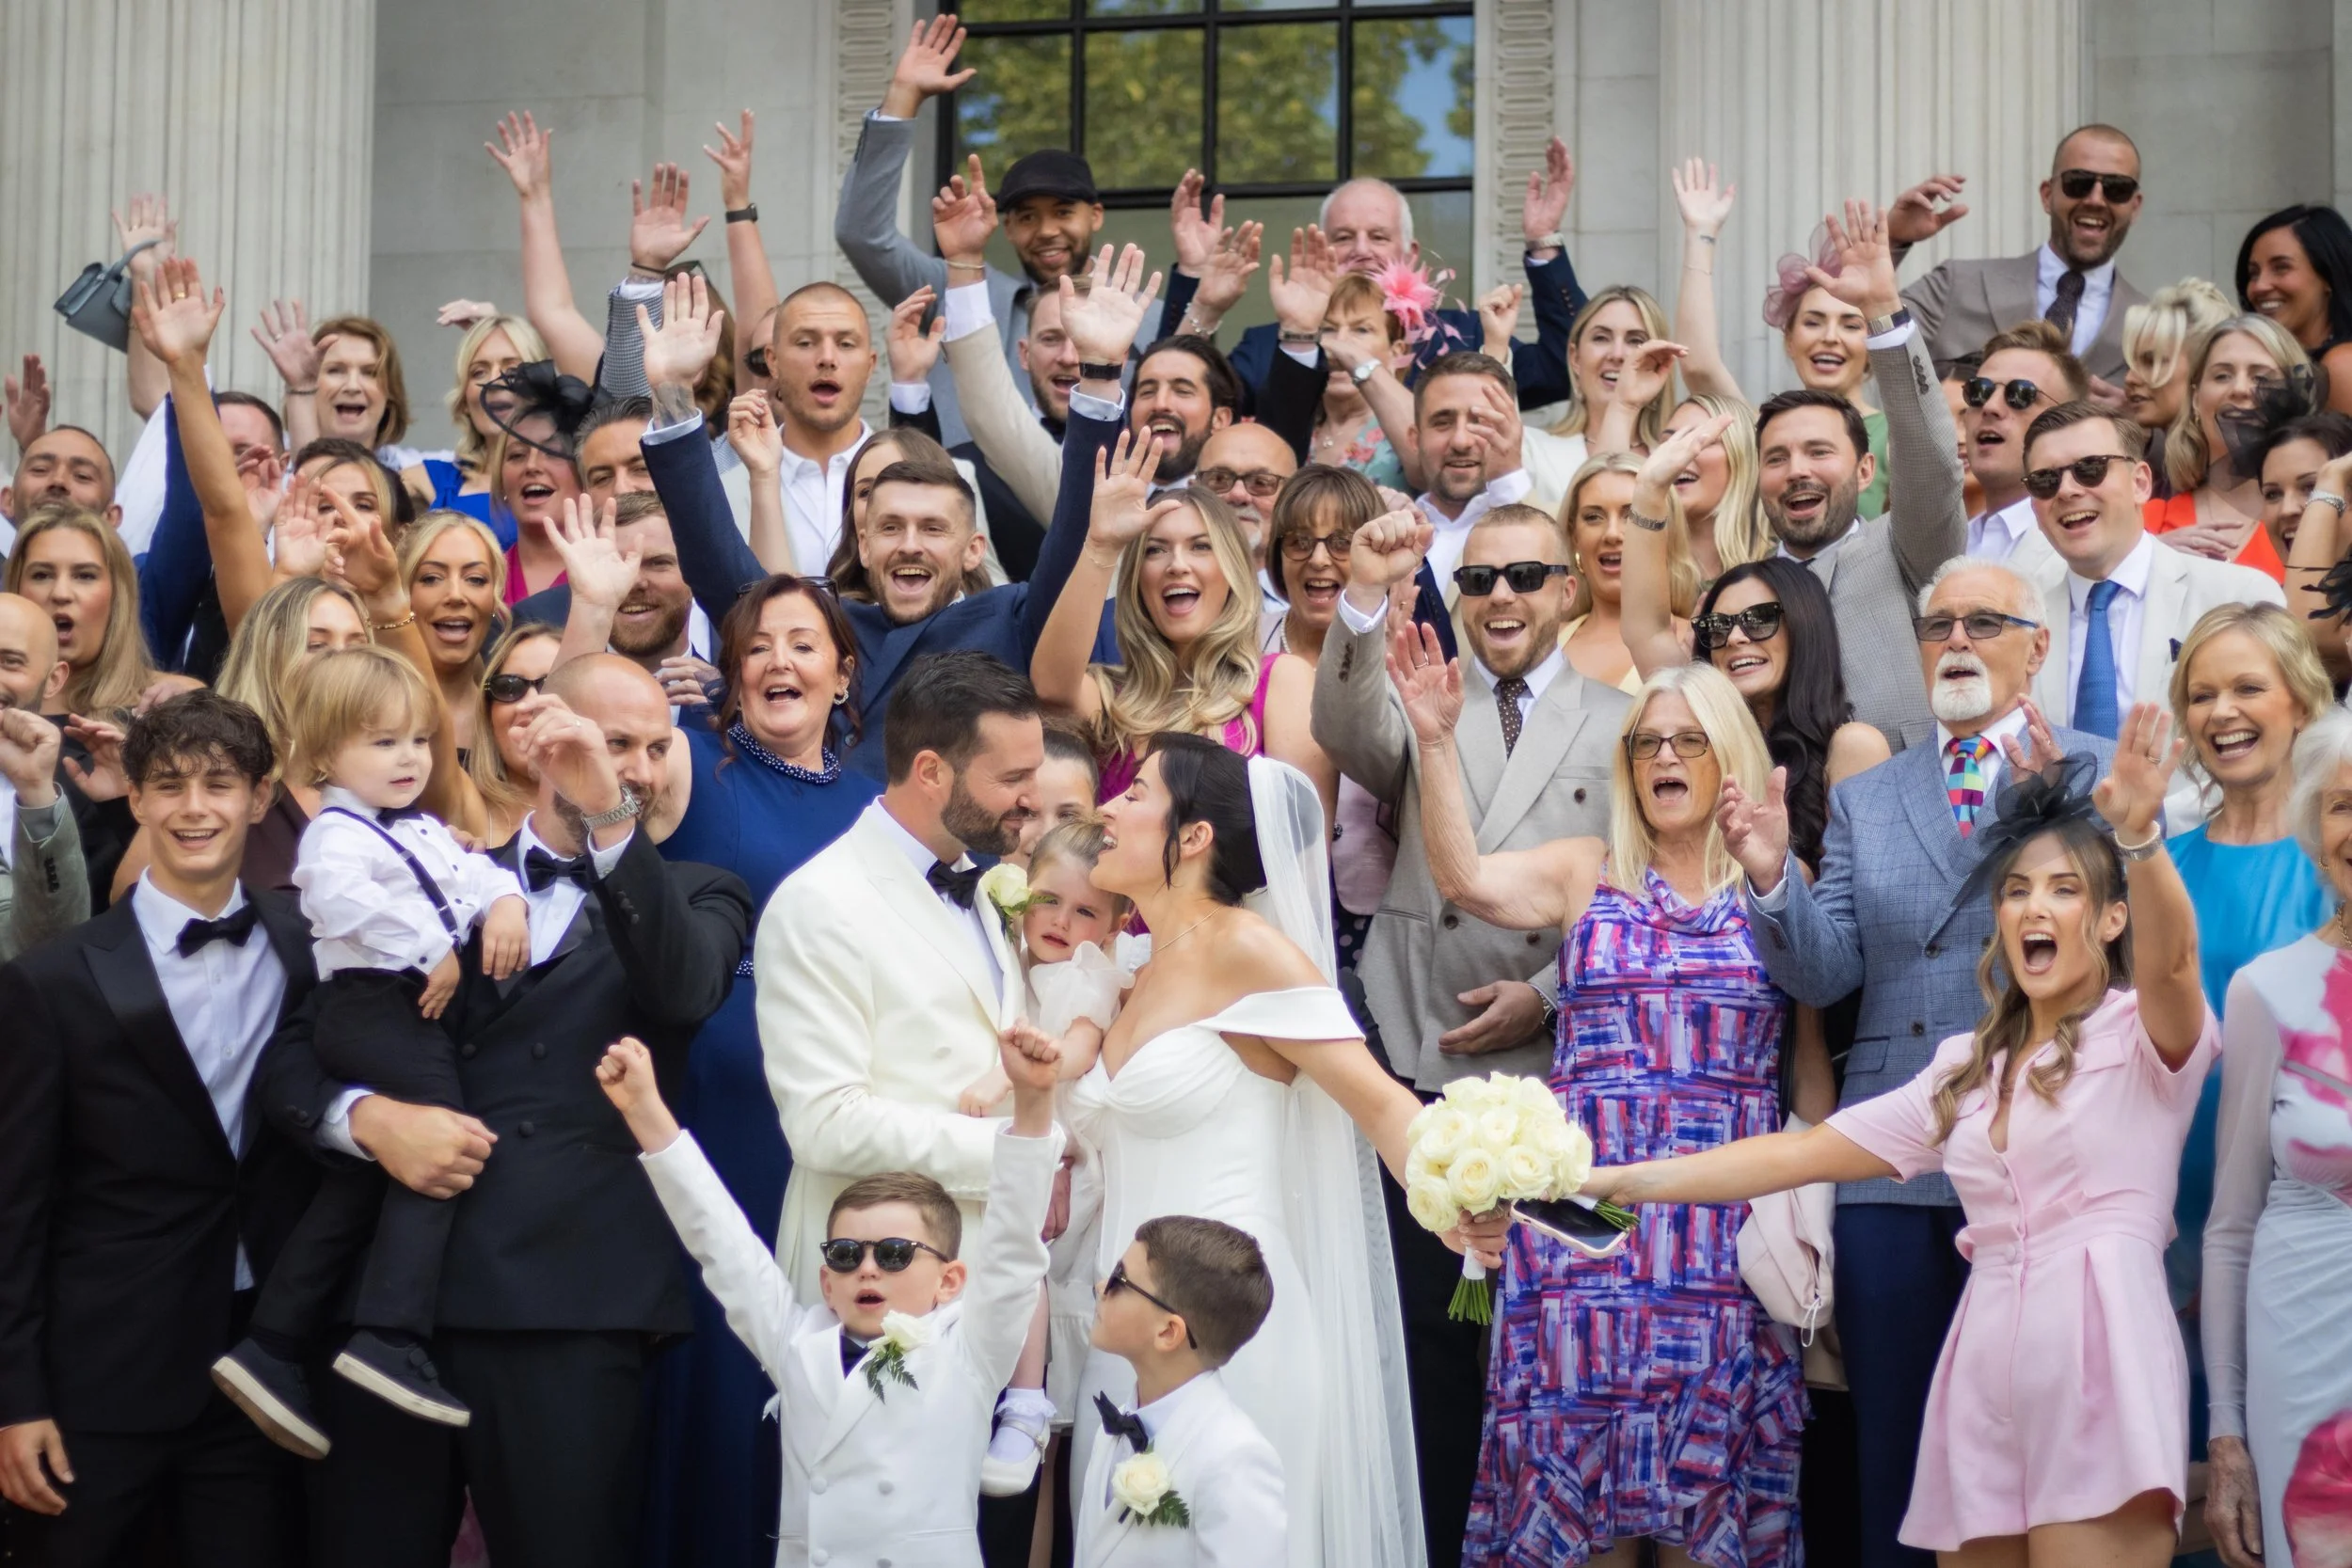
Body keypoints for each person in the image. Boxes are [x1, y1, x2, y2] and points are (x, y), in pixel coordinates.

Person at [1596, 718, 2214, 1568]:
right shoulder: (1965, 1066)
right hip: (1983, 1364)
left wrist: (2138, 838)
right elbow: (1796, 1155)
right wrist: (1612, 1180)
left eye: (2064, 889)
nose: (2034, 907)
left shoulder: (2143, 1036)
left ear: (2112, 918)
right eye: (2015, 890)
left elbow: (2174, 966)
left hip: (2104, 1361)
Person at [254, 655, 751, 1568]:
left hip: (569, 1305)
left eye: (656, 748)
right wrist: (368, 1121)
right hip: (391, 1302)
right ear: (536, 740)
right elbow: (294, 1052)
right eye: (614, 742)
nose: (639, 768)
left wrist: (607, 814)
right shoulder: (427, 868)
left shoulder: (697, 892)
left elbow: (682, 991)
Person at [1389, 646, 1807, 1566]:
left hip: (1719, 1230)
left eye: (1688, 740)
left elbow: (1809, 1057)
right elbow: (1464, 878)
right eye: (1646, 742)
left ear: (1729, 754)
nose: (1664, 757)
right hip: (1584, 1229)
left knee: (1704, 1506)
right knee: (1578, 1519)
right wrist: (1435, 742)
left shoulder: (1774, 877)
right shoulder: (1589, 868)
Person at [1737, 554, 2116, 1568]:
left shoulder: (2096, 771)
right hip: (1892, 1166)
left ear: (2037, 647)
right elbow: (1827, 973)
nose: (1954, 641)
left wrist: (2058, 815)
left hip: (2045, 1152)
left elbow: (2125, 953)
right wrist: (1773, 880)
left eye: (1982, 622)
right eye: (1935, 624)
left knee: (2044, 1458)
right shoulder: (1870, 793)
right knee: (1900, 1460)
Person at [1069, 734, 1507, 1568]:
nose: (1107, 809)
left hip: (1231, 1325)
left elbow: (1379, 1102)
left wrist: (1457, 1201)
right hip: (1124, 1323)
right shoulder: (1135, 968)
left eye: (1135, 794)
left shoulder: (1248, 950)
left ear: (1194, 835)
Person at [1310, 501, 1626, 1563]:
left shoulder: (1628, 719)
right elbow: (1343, 727)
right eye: (1480, 578)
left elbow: (1637, 891)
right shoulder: (1419, 687)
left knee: (1544, 1358)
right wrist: (1364, 595)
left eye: (1527, 575)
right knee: (1431, 1352)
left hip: (1552, 1079)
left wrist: (1549, 992)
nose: (1501, 596)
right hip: (1420, 1055)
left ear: (1568, 590)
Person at [0, 690, 320, 1565]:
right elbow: (14, 1208)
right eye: (170, 785)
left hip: (259, 1365)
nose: (194, 808)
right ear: (135, 798)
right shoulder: (52, 982)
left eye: (219, 784)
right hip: (99, 1374)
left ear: (260, 797)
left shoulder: (313, 945)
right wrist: (15, 1398)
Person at [600, 1009, 1064, 1568]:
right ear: (826, 1280)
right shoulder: (798, 1345)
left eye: (894, 1254)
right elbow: (721, 1243)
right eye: (846, 1254)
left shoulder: (970, 1351)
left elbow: (1014, 1245)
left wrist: (1034, 1102)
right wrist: (647, 1113)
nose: (867, 1268)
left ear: (950, 1280)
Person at [211, 648, 531, 1451]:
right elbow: (338, 901)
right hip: (372, 1008)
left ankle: (272, 1342)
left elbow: (478, 874)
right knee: (444, 1145)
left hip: (402, 1011)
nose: (408, 758)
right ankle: (391, 1333)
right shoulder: (333, 834)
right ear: (325, 753)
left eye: (418, 739)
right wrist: (431, 946)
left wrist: (506, 903)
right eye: (382, 742)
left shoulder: (421, 826)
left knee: (357, 1184)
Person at [644, 262, 1132, 780]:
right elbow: (717, 563)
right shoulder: (828, 629)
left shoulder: (1011, 619)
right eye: (891, 527)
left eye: (933, 528)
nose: (910, 545)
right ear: (864, 543)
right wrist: (673, 394)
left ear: (973, 548)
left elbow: (1074, 534)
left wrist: (1100, 373)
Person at [636, 573, 882, 1568]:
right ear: (731, 674)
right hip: (717, 1111)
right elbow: (588, 773)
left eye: (803, 643)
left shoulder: (875, 803)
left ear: (842, 673)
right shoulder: (695, 764)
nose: (780, 661)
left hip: (831, 1113)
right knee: (724, 1336)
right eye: (757, 646)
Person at [2153, 604, 2338, 1551]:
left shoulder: (2339, 864)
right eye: (2201, 694)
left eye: (2246, 687)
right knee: (2184, 1497)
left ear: (2301, 701)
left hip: (2303, 1227)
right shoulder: (2159, 867)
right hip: (2173, 1222)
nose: (2220, 711)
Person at [2202, 705, 2352, 1568]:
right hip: (2304, 1361)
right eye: (2341, 804)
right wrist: (2226, 1434)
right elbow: (2229, 1227)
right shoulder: (2268, 989)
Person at [1620, 415, 1892, 863]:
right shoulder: (1697, 727)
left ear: (1804, 627)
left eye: (1760, 619)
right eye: (1718, 626)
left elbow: (1862, 889)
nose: (1736, 637)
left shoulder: (1851, 746)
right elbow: (1644, 629)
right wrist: (1649, 490)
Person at [1751, 201, 1968, 754]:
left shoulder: (1907, 553)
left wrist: (1882, 312)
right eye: (1777, 458)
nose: (1797, 470)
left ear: (1866, 469)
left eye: (1819, 452)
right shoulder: (1743, 590)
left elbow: (1932, 463)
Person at [1029, 432, 1334, 820]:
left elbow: (1305, 840)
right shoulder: (1110, 698)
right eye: (1155, 550)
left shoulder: (1280, 681)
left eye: (1201, 546)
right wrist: (1101, 544)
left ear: (1232, 572)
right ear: (1137, 580)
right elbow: (1051, 688)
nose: (1177, 565)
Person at [837, 14, 1103, 448]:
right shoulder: (957, 291)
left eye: (1062, 212)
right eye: (1027, 217)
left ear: (1096, 216)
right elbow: (861, 235)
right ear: (1007, 228)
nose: (1047, 231)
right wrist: (902, 98)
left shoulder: (1142, 315)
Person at [2019, 401, 2284, 825]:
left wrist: (2143, 824)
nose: (2067, 490)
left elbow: (2276, 747)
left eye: (2090, 469)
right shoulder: (2017, 616)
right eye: (2045, 480)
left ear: (2141, 482)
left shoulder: (2238, 596)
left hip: (2194, 846)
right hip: (2060, 854)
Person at [1157, 157, 1587, 414]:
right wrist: (1197, 284)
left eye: (1378, 237)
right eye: (1344, 237)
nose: (1361, 251)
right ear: (1321, 249)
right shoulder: (1270, 344)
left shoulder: (1466, 335)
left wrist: (1543, 243)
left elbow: (1566, 371)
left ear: (1410, 252)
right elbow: (1181, 406)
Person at [1667, 157, 1895, 517]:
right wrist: (1701, 233)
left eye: (1850, 325)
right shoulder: (1764, 430)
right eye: (1813, 322)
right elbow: (1698, 365)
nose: (1830, 337)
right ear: (1789, 339)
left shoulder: (1894, 437)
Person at [1075, 1218, 1288, 1568]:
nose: (1101, 1286)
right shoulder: (1112, 1430)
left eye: (1118, 1279)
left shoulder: (1234, 1459)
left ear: (1168, 1332)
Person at [1891, 124, 2151, 386]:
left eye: (2117, 189)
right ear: (2047, 195)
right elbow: (1870, 336)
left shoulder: (2155, 330)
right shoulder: (1957, 286)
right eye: (2078, 184)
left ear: (2135, 206)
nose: (2095, 200)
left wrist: (2134, 410)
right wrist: (1892, 241)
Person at [2145, 315, 2312, 578]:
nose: (2240, 389)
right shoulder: (2145, 524)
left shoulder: (2323, 516)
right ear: (2196, 399)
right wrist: (2146, 559)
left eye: (2260, 377)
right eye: (2222, 376)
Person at [1556, 451, 1699, 694]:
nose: (1612, 533)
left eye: (1633, 515)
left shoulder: (1699, 643)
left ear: (1667, 531)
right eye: (1593, 517)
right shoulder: (1544, 642)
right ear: (1574, 535)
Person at [1957, 320, 2087, 569]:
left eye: (2021, 394)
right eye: (1979, 391)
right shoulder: (1943, 547)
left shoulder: (2089, 550)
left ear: (2069, 424)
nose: (1990, 407)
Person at [0, 595, 87, 962]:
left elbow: (55, 946)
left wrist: (36, 793)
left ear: (53, 680)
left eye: (9, 661)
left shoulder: (85, 788)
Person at [1529, 286, 1673, 509]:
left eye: (1635, 341)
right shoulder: (1532, 449)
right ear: (1575, 358)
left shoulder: (1676, 457)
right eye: (1601, 338)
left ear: (1660, 360)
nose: (1617, 354)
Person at [410, 313, 549, 534]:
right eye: (479, 372)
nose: (493, 382)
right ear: (464, 400)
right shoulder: (435, 480)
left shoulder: (571, 473)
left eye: (513, 370)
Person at [396, 510, 507, 757]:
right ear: (404, 593)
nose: (456, 595)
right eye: (432, 578)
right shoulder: (364, 707)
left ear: (494, 598)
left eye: (475, 579)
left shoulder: (510, 717)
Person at [2236, 204, 2352, 413]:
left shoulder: (2341, 365)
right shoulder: (2283, 368)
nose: (2260, 286)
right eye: (2254, 273)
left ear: (2328, 277)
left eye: (2281, 267)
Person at [2122, 280, 2238, 482]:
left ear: (2200, 367)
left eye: (2152, 362)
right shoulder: (2170, 474)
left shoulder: (2234, 476)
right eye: (2131, 364)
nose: (2130, 378)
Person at [1309, 272, 1414, 489]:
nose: (1340, 342)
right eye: (1327, 329)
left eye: (1362, 330)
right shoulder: (1294, 425)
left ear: (1396, 352)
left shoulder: (1406, 427)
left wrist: (1361, 365)